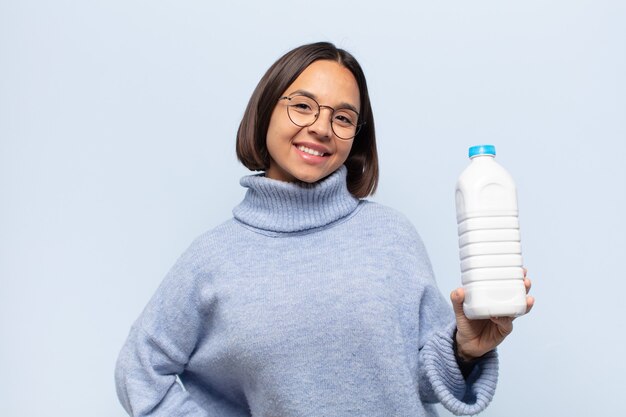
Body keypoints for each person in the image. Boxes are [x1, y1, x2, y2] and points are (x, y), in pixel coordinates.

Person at [115, 41, 534, 417]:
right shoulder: (212, 259)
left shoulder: (391, 237)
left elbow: (420, 381)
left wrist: (463, 350)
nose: (320, 127)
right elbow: (140, 371)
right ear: (266, 110)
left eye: (343, 118)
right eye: (302, 106)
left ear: (356, 137)